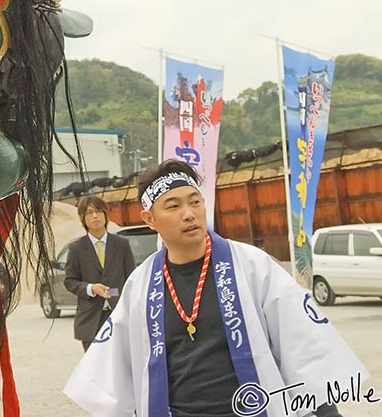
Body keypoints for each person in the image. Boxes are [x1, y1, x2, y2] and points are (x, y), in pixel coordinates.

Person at [64, 159, 367, 417]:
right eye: (174, 205)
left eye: (195, 202)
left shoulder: (251, 265)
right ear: (150, 219)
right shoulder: (141, 285)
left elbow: (304, 344)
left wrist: (327, 412)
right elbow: (114, 371)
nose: (189, 213)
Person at [64, 196, 136, 351]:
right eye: (89, 212)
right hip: (90, 319)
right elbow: (69, 281)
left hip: (119, 315)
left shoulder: (121, 244)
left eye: (98, 211)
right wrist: (91, 288)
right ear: (83, 219)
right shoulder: (76, 248)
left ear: (105, 215)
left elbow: (131, 278)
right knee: (95, 371)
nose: (95, 216)